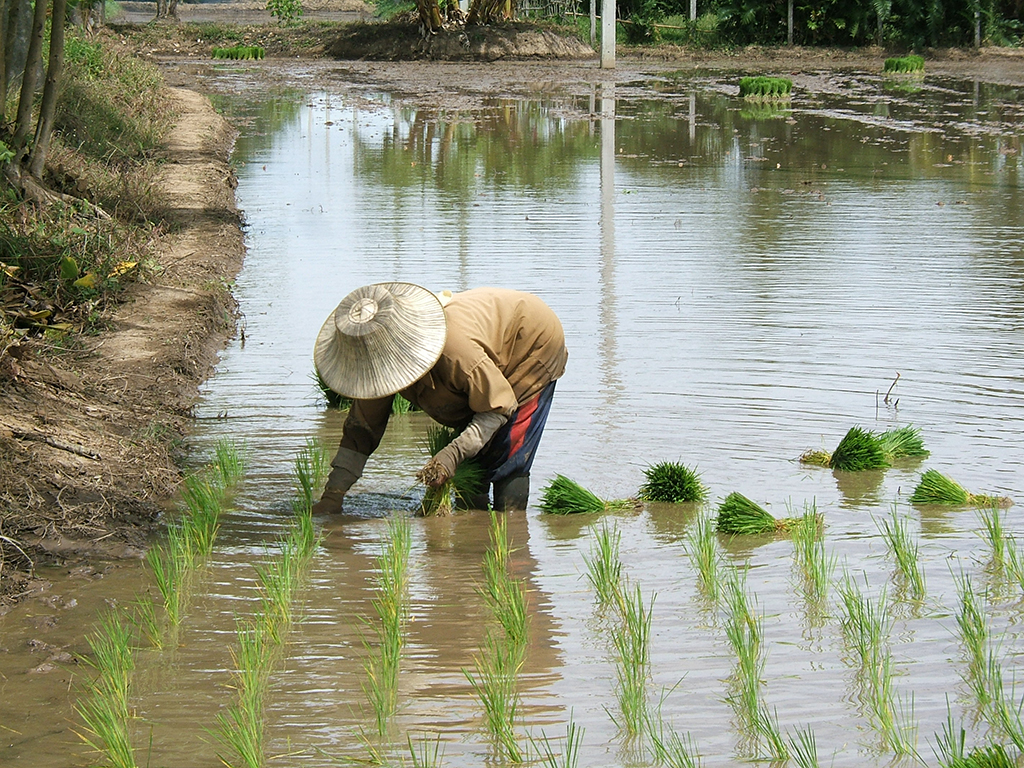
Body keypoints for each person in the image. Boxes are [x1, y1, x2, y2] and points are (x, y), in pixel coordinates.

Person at [312, 282, 568, 513]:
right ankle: (474, 527)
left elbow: (499, 407)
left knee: (508, 451)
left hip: (531, 343)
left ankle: (511, 531)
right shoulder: (378, 368)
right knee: (473, 467)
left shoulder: (456, 353)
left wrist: (451, 455)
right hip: (483, 359)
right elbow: (362, 431)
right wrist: (333, 496)